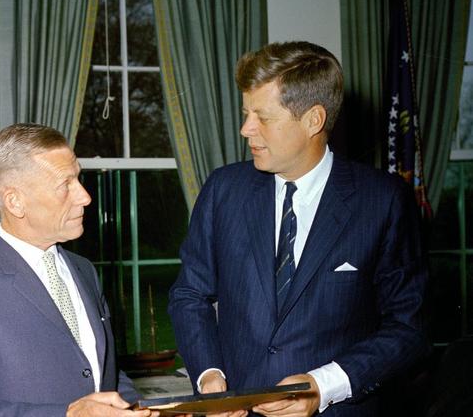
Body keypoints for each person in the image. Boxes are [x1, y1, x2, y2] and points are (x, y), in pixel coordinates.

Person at [168, 41, 428, 417]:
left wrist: (323, 385)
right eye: (246, 113)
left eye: (263, 117)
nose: (245, 129)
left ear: (313, 120)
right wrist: (210, 375)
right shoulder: (224, 190)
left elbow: (410, 328)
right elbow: (189, 295)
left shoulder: (382, 201)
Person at [0, 123, 152, 417]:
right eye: (64, 184)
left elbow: (105, 375)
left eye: (78, 179)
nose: (84, 197)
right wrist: (68, 415)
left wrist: (145, 411)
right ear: (15, 201)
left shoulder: (84, 271)